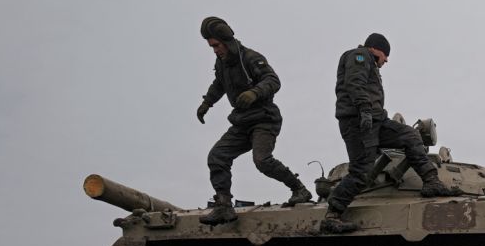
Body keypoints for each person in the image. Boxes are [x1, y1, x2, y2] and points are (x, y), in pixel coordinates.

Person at [321, 33, 461, 234]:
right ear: (376, 49)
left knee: (410, 136)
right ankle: (332, 214)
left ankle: (431, 182)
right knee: (362, 171)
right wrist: (365, 110)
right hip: (359, 121)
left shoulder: (370, 63)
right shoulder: (359, 56)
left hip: (378, 121)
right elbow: (354, 82)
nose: (386, 60)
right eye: (385, 55)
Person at [196, 16, 312, 226]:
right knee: (217, 156)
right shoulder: (222, 63)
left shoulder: (250, 58)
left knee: (262, 160)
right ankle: (224, 206)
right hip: (242, 122)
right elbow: (219, 84)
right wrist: (207, 103)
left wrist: (255, 93)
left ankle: (299, 189)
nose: (215, 50)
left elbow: (273, 80)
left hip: (264, 119)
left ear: (226, 41)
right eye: (211, 46)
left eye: (216, 45)